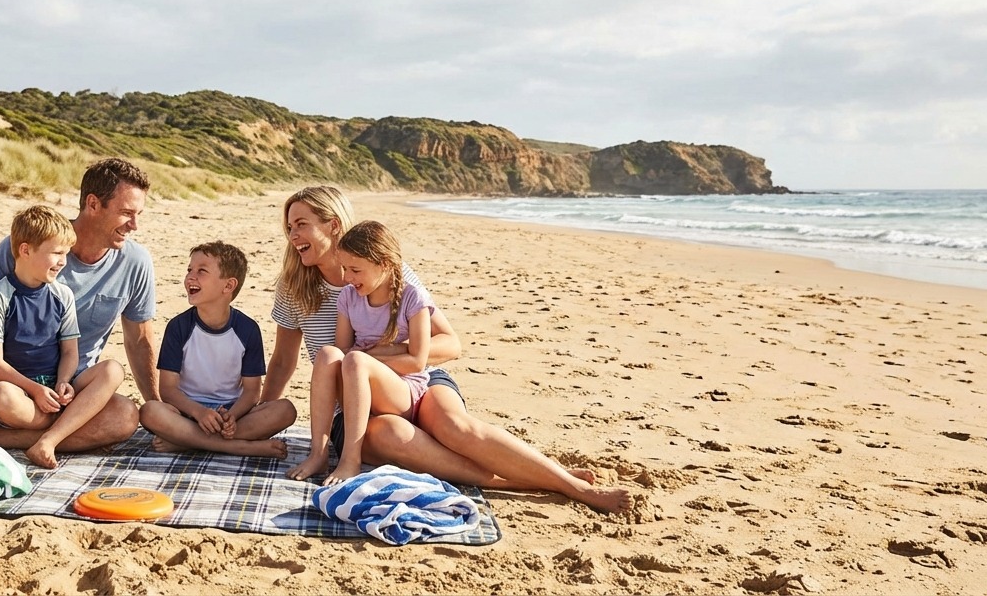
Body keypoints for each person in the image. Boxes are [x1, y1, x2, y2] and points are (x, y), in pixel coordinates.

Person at [263, 186, 631, 513]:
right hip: (358, 402)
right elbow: (282, 360)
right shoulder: (295, 287)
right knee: (391, 434)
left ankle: (572, 484)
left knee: (455, 427)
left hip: (417, 378)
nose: (292, 235)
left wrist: (391, 351)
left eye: (301, 225)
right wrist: (263, 415)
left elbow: (450, 343)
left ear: (333, 225)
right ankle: (512, 481)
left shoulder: (389, 271)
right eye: (289, 227)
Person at [0, 158, 158, 456]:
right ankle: (26, 429)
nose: (135, 225)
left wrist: (155, 407)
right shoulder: (31, 246)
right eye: (126, 213)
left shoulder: (136, 263)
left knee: (124, 417)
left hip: (64, 384)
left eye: (138, 214)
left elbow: (140, 341)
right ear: (93, 204)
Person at [287, 220, 435, 484]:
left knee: (355, 359)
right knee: (328, 354)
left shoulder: (413, 297)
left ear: (385, 264)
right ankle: (318, 453)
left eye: (355, 270)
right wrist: (359, 359)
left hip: (402, 391)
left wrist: (371, 357)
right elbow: (342, 350)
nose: (346, 278)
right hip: (359, 380)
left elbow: (416, 361)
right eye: (345, 269)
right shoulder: (348, 297)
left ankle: (350, 461)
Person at [0, 205, 114, 468]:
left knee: (113, 370)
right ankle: (63, 426)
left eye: (66, 253)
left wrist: (62, 382)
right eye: (57, 253)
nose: (63, 261)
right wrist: (36, 391)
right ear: (25, 250)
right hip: (23, 395)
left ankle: (48, 436)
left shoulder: (62, 295)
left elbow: (70, 351)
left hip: (56, 390)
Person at [140, 241, 296, 458]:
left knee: (285, 410)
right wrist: (199, 412)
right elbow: (167, 390)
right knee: (150, 411)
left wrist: (231, 417)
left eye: (201, 271)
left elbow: (251, 391)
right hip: (188, 413)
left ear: (228, 286)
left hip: (232, 415)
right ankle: (238, 447)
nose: (190, 277)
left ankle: (188, 442)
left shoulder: (248, 329)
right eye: (189, 270)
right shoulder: (178, 327)